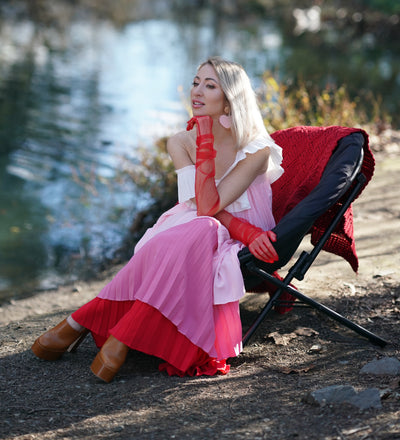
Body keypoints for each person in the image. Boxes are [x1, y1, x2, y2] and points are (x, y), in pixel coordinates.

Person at [31, 57, 284, 380]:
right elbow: (198, 205)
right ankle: (105, 336)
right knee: (196, 229)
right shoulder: (179, 141)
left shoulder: (256, 149)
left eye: (210, 85)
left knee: (201, 228)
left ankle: (83, 325)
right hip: (196, 222)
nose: (197, 91)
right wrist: (201, 138)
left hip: (234, 239)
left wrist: (243, 228)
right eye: (195, 82)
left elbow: (208, 207)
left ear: (229, 101)